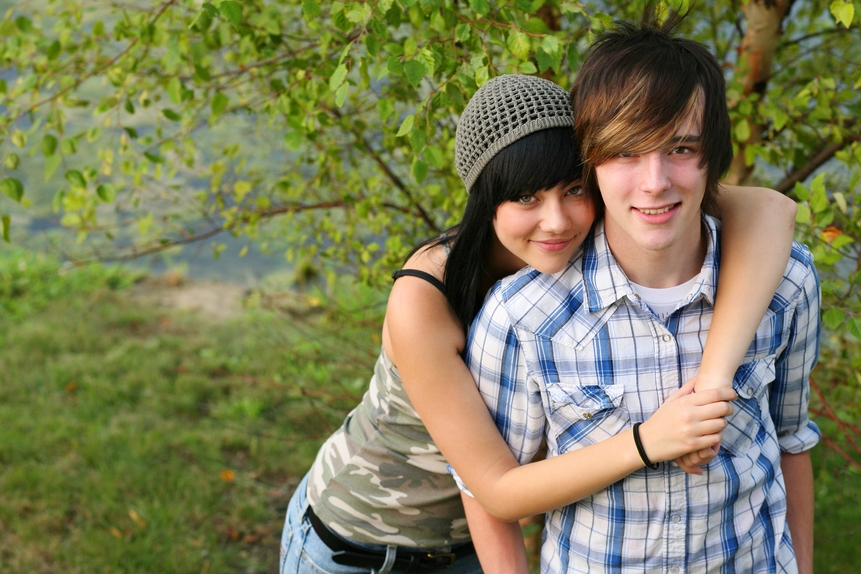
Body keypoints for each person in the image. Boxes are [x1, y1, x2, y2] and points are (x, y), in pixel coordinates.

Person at [279, 72, 799, 573]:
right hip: (363, 541)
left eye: (573, 189)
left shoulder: (617, 221)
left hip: (470, 547)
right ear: (487, 199)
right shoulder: (425, 298)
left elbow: (769, 211)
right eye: (526, 197)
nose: (557, 221)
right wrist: (649, 441)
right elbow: (494, 487)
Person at [458, 21, 821, 574]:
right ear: (590, 160)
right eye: (626, 151)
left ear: (711, 156)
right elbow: (488, 491)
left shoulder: (785, 281)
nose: (655, 182)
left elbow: (792, 442)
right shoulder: (523, 315)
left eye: (681, 148)